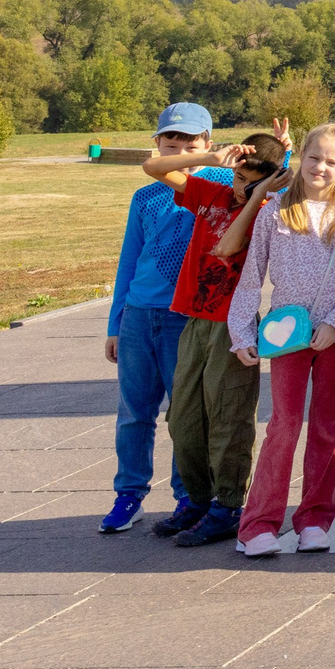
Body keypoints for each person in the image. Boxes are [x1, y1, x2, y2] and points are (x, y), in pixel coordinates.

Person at [227, 125, 335, 557]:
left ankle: (314, 518)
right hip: (285, 337)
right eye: (315, 157)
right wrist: (242, 333)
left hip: (333, 336)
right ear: (302, 157)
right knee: (284, 425)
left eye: (333, 161)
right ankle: (258, 524)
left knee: (327, 426)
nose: (321, 167)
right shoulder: (276, 210)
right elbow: (251, 277)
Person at [144, 124, 291, 549]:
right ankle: (197, 499)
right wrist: (208, 160)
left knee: (227, 417)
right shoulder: (212, 193)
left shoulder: (271, 212)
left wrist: (262, 192)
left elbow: (227, 247)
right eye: (239, 179)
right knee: (183, 420)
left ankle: (227, 507)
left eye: (252, 182)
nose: (241, 189)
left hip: (235, 325)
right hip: (193, 319)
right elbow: (152, 166)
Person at [100, 101, 219, 534]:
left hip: (182, 317)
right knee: (134, 411)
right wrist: (116, 323)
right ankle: (128, 493)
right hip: (138, 315)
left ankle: (188, 495)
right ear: (157, 143)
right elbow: (128, 261)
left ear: (210, 144)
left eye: (192, 142)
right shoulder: (146, 194)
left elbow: (272, 187)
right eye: (172, 141)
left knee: (185, 412)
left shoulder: (220, 184)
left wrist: (280, 154)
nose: (181, 149)